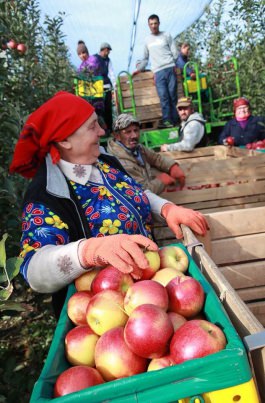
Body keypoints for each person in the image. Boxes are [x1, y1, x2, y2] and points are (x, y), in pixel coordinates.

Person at [9, 92, 208, 318]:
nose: (102, 132)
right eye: (93, 126)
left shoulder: (104, 161)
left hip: (153, 291)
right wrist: (89, 252)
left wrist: (166, 209)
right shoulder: (46, 194)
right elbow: (33, 269)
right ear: (64, 140)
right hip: (110, 314)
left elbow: (134, 190)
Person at [107, 113, 186, 194]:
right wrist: (162, 180)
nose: (134, 135)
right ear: (117, 136)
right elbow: (141, 192)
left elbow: (156, 158)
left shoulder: (137, 148)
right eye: (128, 132)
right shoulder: (121, 163)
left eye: (136, 130)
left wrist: (172, 166)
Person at [136, 14, 179, 129]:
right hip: (158, 72)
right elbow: (145, 58)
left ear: (159, 23)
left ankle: (176, 120)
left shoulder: (166, 35)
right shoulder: (147, 40)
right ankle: (167, 121)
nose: (153, 26)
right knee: (164, 96)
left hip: (170, 68)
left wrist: (173, 63)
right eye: (151, 24)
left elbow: (175, 52)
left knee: (173, 96)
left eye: (155, 23)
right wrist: (138, 69)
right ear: (148, 26)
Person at [76, 40, 105, 124]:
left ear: (87, 52)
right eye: (79, 54)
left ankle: (104, 130)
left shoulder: (93, 59)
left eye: (83, 52)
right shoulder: (81, 66)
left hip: (96, 91)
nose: (82, 55)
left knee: (98, 112)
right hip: (87, 94)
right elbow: (79, 76)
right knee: (91, 113)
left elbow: (93, 67)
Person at [93, 42, 116, 133]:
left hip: (107, 86)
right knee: (99, 109)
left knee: (108, 108)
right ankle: (102, 129)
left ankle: (110, 128)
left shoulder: (108, 60)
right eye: (108, 51)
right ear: (104, 49)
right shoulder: (94, 58)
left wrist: (114, 85)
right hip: (97, 87)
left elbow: (111, 73)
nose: (108, 53)